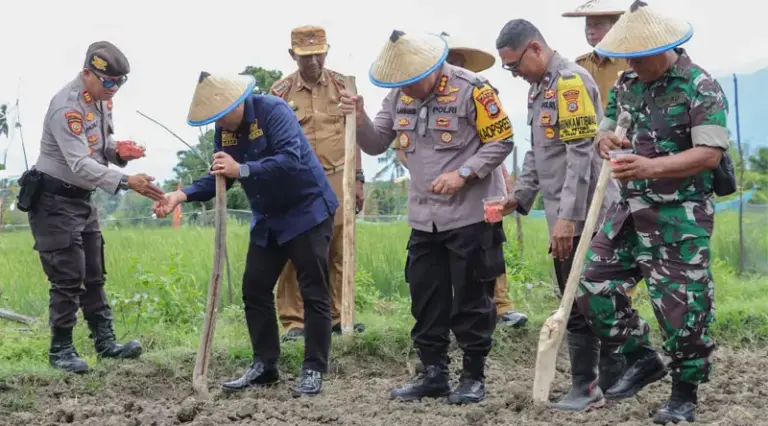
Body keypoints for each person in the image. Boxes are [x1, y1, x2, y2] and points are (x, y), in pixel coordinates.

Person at [340, 30, 514, 404]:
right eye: (401, 83)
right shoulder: (398, 95)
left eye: (413, 80)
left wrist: (463, 174)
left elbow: (502, 140)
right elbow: (376, 142)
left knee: (471, 299)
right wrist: (358, 117)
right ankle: (434, 374)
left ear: (432, 67)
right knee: (425, 298)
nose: (408, 89)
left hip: (470, 215)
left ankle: (473, 377)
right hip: (424, 218)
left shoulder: (473, 89)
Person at [575, 1, 729, 423]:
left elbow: (710, 154)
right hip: (630, 211)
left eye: (639, 58)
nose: (632, 65)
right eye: (626, 57)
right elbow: (605, 132)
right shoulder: (626, 84)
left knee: (683, 312)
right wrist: (606, 142)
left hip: (680, 216)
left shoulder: (700, 86)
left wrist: (650, 167)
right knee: (592, 286)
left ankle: (684, 395)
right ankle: (640, 356)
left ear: (662, 49)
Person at [154, 72, 339, 397]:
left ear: (236, 103)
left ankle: (313, 369)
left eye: (220, 115)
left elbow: (290, 160)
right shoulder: (224, 132)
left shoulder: (274, 111)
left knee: (313, 291)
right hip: (268, 218)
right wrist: (180, 195)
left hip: (306, 211)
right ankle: (265, 365)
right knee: (254, 287)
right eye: (213, 119)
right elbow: (220, 176)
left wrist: (242, 169)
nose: (219, 123)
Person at [494, 20, 623, 411]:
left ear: (535, 48)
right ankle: (610, 376)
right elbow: (539, 152)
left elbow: (580, 155)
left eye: (515, 65)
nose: (514, 74)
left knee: (580, 299)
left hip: (585, 213)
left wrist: (568, 219)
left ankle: (588, 385)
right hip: (562, 212)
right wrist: (517, 197)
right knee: (581, 295)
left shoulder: (569, 82)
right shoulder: (538, 88)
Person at [17, 41, 164, 374]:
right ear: (87, 73)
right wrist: (126, 181)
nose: (114, 89)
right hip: (53, 201)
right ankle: (61, 350)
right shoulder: (66, 108)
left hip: (82, 199)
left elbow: (99, 145)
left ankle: (105, 343)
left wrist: (118, 152)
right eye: (108, 81)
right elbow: (80, 163)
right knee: (68, 277)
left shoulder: (101, 100)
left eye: (120, 82)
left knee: (94, 274)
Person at [393, 31, 528, 329]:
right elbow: (398, 145)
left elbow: (497, 141)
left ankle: (500, 309)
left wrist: (469, 174)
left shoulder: (477, 90)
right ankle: (439, 353)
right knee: (433, 288)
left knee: (480, 273)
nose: (449, 65)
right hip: (430, 211)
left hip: (477, 202)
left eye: (455, 60)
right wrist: (424, 173)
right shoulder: (405, 96)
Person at [270, 25, 366, 341]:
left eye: (318, 54)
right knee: (294, 250)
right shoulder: (279, 93)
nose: (313, 61)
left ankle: (339, 317)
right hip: (296, 184)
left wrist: (358, 179)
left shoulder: (343, 86)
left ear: (326, 51)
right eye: (305, 56)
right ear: (292, 55)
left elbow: (355, 134)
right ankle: (294, 322)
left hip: (337, 177)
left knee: (339, 248)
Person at [562, 0, 632, 111]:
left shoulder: (630, 61)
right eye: (588, 25)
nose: (591, 31)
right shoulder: (581, 64)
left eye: (598, 25)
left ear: (615, 27)